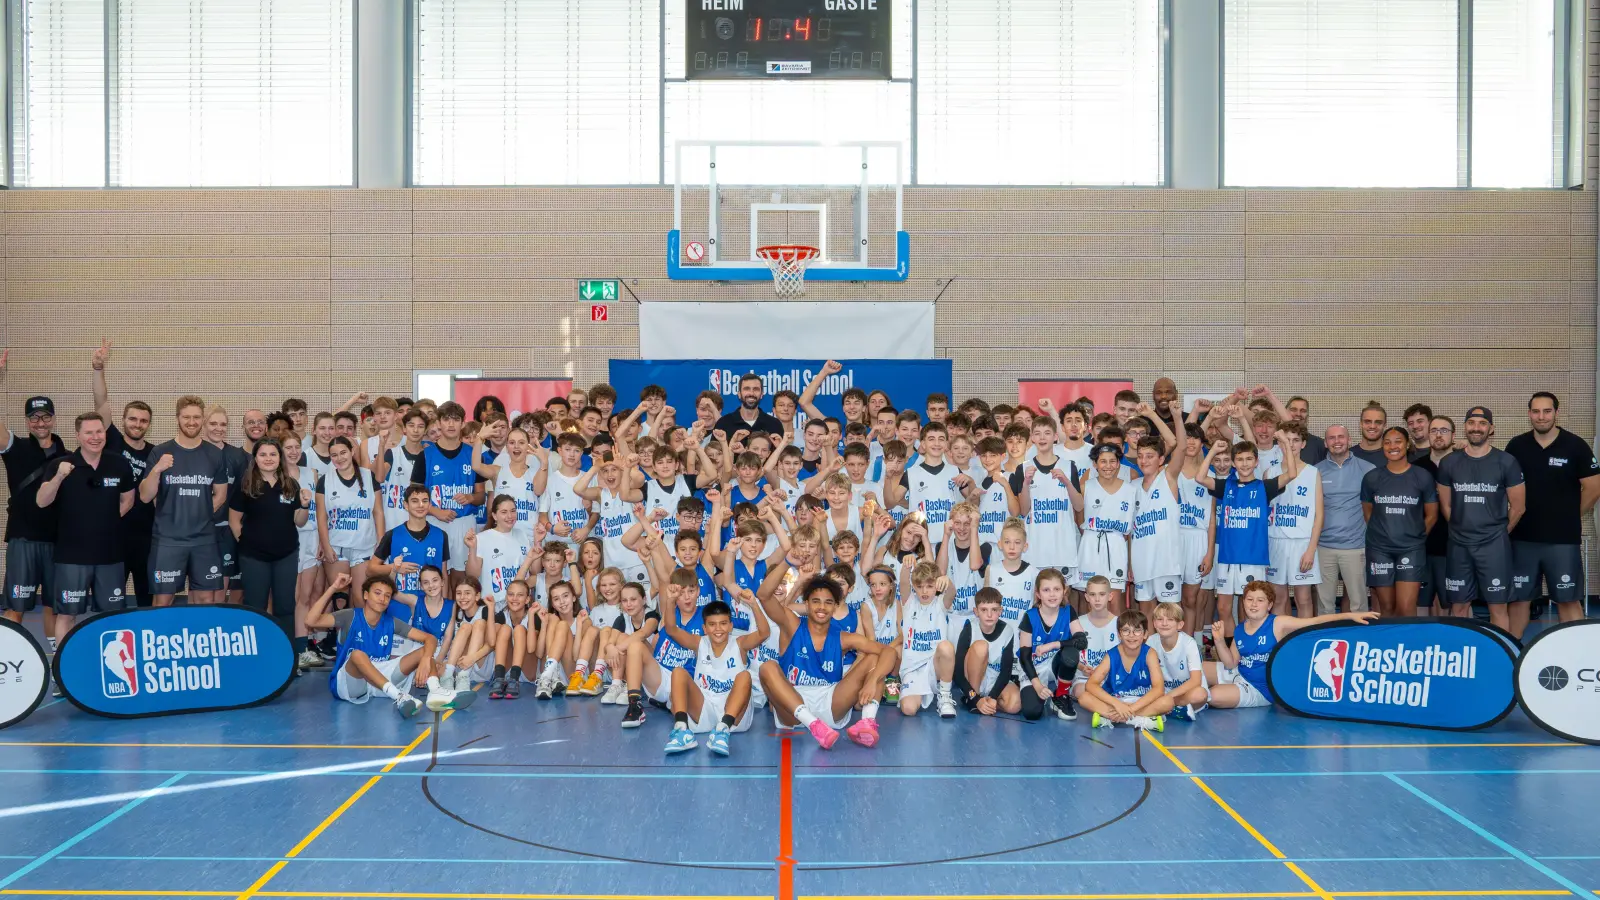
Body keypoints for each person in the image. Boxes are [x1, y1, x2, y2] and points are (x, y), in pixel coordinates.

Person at [37, 412, 135, 684]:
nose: (95, 437)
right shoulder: (62, 464)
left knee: (113, 616)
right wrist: (58, 477)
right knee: (67, 613)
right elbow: (42, 501)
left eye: (99, 432)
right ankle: (62, 671)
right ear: (78, 435)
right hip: (72, 557)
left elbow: (128, 499)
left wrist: (104, 523)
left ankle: (116, 672)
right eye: (89, 433)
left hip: (110, 556)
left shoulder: (118, 464)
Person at [755, 572, 889, 749]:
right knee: (767, 667)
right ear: (806, 604)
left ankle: (867, 723)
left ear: (835, 607)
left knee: (874, 658)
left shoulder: (843, 637)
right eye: (816, 601)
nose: (821, 607)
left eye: (828, 602)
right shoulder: (792, 624)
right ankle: (814, 725)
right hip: (793, 706)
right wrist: (787, 559)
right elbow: (763, 595)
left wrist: (872, 680)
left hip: (831, 703)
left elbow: (888, 652)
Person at [1204, 581, 1377, 710]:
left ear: (1269, 605)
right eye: (1249, 599)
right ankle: (1189, 694)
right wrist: (1219, 641)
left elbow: (1314, 621)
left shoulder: (1278, 623)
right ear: (1243, 602)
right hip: (1239, 673)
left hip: (1259, 688)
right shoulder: (1241, 628)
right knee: (1199, 668)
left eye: (1260, 600)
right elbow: (1231, 663)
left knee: (1214, 695)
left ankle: (1194, 699)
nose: (1253, 604)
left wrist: (1349, 616)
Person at [309, 573, 466, 715]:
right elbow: (311, 621)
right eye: (377, 593)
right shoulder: (350, 616)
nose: (382, 599)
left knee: (424, 651)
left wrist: (426, 659)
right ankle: (399, 697)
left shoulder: (390, 622)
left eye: (387, 596)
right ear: (365, 595)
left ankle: (436, 692)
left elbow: (429, 638)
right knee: (357, 654)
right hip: (351, 682)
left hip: (380, 678)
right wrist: (333, 588)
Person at [1506, 392, 1599, 623]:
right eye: (1536, 411)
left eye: (1547, 411)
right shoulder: (1516, 446)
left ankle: (1575, 657)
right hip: (1523, 539)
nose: (1541, 416)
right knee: (1519, 600)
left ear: (1556, 413)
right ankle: (1512, 653)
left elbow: (1594, 487)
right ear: (1529, 414)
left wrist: (1570, 515)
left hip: (1562, 541)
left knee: (1567, 600)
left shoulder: (1575, 445)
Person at [1436, 407, 1527, 636]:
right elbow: (1446, 505)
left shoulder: (1506, 462)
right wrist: (1460, 527)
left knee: (1497, 606)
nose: (1476, 428)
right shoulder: (1449, 462)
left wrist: (1497, 533)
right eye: (1471, 423)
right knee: (1458, 606)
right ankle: (1462, 654)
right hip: (1459, 544)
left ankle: (1500, 654)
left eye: (1482, 424)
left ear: (1491, 429)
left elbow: (1518, 507)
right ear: (1465, 427)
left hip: (1494, 546)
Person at [0, 352, 70, 635]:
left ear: (53, 419)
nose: (40, 422)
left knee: (54, 604)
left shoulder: (67, 455)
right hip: (23, 540)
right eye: (33, 418)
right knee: (16, 604)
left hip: (55, 542)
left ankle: (54, 660)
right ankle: (6, 655)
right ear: (27, 422)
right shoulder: (15, 448)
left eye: (45, 416)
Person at [141, 395, 229, 606]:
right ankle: (161, 638)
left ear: (203, 419)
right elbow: (145, 496)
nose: (192, 422)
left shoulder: (214, 454)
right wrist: (157, 469)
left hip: (204, 540)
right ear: (177, 418)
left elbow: (221, 494)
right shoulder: (160, 452)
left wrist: (201, 515)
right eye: (186, 417)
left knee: (206, 599)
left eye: (197, 417)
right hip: (168, 540)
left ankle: (199, 639)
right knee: (163, 599)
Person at [91, 339, 157, 607]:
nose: (137, 424)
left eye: (143, 421)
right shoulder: (112, 441)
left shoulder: (155, 452)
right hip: (113, 533)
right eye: (133, 419)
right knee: (111, 599)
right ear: (123, 421)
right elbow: (101, 401)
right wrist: (98, 369)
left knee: (145, 597)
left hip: (145, 536)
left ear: (148, 425)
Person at [662, 595, 770, 756]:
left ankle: (722, 730)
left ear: (731, 626)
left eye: (723, 623)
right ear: (704, 628)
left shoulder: (739, 644)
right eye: (712, 624)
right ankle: (681, 730)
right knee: (678, 672)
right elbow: (671, 629)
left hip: (734, 716)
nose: (718, 629)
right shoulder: (699, 643)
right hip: (704, 709)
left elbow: (764, 633)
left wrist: (754, 604)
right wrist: (670, 601)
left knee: (744, 676)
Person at [228, 438, 309, 645]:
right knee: (256, 607)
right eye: (263, 454)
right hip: (253, 557)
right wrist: (247, 543)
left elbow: (299, 521)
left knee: (285, 607)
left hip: (286, 555)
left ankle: (287, 655)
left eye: (273, 454)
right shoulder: (246, 485)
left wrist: (306, 506)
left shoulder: (291, 485)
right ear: (255, 458)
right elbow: (234, 520)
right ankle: (256, 653)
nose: (268, 459)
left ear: (279, 458)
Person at [1361, 426, 1438, 618]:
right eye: (1387, 442)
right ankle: (1388, 647)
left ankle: (1407, 646)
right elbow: (1368, 513)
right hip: (1379, 550)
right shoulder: (1372, 478)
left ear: (1407, 444)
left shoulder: (1422, 476)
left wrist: (1416, 537)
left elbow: (1432, 515)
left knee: (1405, 608)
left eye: (1398, 441)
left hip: (1411, 549)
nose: (1392, 446)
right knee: (1386, 607)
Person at [410, 401, 485, 570]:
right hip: (434, 519)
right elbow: (412, 495)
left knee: (461, 576)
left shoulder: (473, 454)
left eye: (456, 419)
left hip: (465, 523)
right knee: (435, 573)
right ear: (438, 423)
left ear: (462, 423)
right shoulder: (425, 455)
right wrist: (435, 511)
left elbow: (481, 496)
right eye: (446, 419)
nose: (451, 424)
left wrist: (471, 497)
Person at [1314, 424, 1376, 616]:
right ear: (1326, 443)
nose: (1337, 442)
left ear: (1349, 440)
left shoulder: (1368, 469)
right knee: (1325, 607)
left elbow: (1375, 508)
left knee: (1359, 605)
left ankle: (1359, 642)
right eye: (1332, 438)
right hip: (1323, 547)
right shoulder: (1315, 471)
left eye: (1341, 437)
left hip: (1356, 547)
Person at [316, 436, 385, 605]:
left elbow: (378, 512)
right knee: (340, 599)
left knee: (362, 598)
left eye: (343, 453)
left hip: (364, 547)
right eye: (334, 455)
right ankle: (342, 632)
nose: (339, 458)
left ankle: (361, 632)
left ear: (352, 451)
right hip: (337, 547)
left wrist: (381, 542)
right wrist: (325, 544)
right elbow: (321, 516)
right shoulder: (325, 479)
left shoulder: (369, 477)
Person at [1016, 568, 1088, 720]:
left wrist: (1053, 644)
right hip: (1034, 667)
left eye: (1056, 589)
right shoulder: (1029, 617)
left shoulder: (1068, 611)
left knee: (1071, 653)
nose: (1052, 594)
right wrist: (1037, 685)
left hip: (1056, 662)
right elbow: (1024, 657)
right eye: (1046, 590)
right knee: (1032, 712)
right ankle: (1036, 690)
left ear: (1064, 591)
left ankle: (1061, 696)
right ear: (1038, 594)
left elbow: (1081, 641)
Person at [1265, 423, 1322, 617]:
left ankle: (1303, 643)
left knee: (1303, 598)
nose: (1291, 445)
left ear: (1303, 444)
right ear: (1279, 444)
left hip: (1302, 544)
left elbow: (1319, 515)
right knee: (1278, 598)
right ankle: (1280, 643)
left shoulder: (1313, 472)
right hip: (1276, 543)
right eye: (1286, 440)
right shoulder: (1270, 473)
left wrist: (1311, 550)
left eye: (1296, 440)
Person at [1081, 610, 1171, 731]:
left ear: (1145, 634)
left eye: (1137, 630)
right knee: (1084, 698)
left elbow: (1159, 689)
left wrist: (1131, 709)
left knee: (1167, 701)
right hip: (1116, 700)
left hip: (1141, 701)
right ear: (1119, 634)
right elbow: (1091, 684)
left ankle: (1111, 718)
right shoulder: (1112, 655)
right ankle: (1140, 720)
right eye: (1126, 630)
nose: (1131, 635)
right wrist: (1117, 704)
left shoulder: (1150, 654)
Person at [952, 587, 1021, 716]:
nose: (989, 615)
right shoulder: (970, 628)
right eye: (984, 610)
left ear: (1000, 611)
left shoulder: (1007, 631)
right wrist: (975, 697)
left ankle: (987, 704)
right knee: (981, 647)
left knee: (1015, 705)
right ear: (976, 612)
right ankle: (972, 700)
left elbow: (1006, 672)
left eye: (994, 610)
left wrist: (994, 697)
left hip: (993, 680)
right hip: (973, 682)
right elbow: (957, 672)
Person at [1146, 602, 1206, 718]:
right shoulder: (1150, 642)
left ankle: (1165, 708)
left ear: (1180, 625)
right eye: (1160, 619)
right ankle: (1175, 710)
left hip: (1185, 692)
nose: (1164, 623)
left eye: (1170, 619)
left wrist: (1168, 697)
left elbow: (1195, 681)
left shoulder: (1189, 643)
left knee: (1200, 694)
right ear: (1154, 623)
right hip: (1162, 691)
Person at [712, 372, 785, 437]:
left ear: (762, 394)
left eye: (756, 389)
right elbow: (713, 451)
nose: (751, 393)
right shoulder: (724, 423)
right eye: (747, 389)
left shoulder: (774, 424)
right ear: (739, 394)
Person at [1353, 402, 1388, 467]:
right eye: (1367, 422)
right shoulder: (1348, 455)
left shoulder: (1392, 455)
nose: (1372, 426)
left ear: (1385, 425)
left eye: (1378, 422)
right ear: (1361, 424)